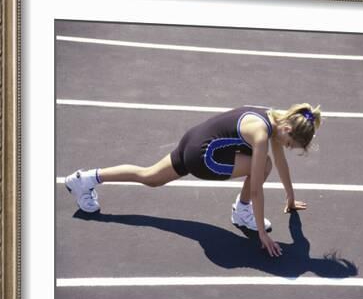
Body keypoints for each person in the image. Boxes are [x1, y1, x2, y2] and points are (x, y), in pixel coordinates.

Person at [65, 103, 321, 258]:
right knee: (261, 164)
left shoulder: (272, 117)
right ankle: (241, 213)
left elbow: (282, 163)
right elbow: (256, 188)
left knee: (150, 177)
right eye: (289, 144)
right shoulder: (262, 134)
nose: (286, 147)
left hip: (193, 140)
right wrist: (263, 234)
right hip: (204, 157)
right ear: (287, 130)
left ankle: (86, 178)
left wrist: (289, 197)